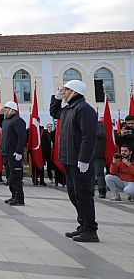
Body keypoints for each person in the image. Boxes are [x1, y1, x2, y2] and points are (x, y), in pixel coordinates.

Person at [50, 79, 99, 242]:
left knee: (83, 195)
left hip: (79, 161)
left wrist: (84, 159)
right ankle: (83, 225)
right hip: (68, 159)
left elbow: (88, 137)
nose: (62, 92)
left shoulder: (85, 109)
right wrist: (56, 98)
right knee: (73, 194)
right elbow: (54, 112)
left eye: (65, 90)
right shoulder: (68, 109)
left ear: (75, 92)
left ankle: (91, 230)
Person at [1, 101, 27, 206]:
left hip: (14, 154)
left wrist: (19, 151)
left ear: (12, 110)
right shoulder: (6, 121)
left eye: (6, 108)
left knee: (16, 177)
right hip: (6, 153)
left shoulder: (18, 121)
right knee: (9, 176)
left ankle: (19, 198)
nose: (4, 110)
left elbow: (22, 137)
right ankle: (14, 195)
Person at [93, 119, 108, 198]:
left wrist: (90, 131)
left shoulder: (100, 126)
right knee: (90, 174)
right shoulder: (85, 125)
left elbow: (102, 134)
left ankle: (102, 191)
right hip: (88, 155)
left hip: (98, 155)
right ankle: (91, 190)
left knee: (99, 174)